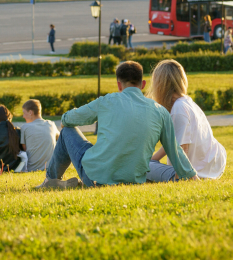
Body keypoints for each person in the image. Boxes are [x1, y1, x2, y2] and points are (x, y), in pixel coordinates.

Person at [36, 61, 198, 189]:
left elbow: (70, 119)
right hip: (134, 180)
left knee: (67, 132)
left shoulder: (107, 101)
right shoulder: (160, 111)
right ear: (142, 84)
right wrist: (192, 176)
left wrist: (65, 121)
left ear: (119, 84)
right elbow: (175, 150)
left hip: (96, 179)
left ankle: (50, 180)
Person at [146, 60, 227, 182]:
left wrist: (179, 178)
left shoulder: (179, 109)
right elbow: (174, 142)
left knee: (142, 167)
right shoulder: (186, 102)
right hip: (213, 164)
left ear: (160, 85)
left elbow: (182, 148)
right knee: (149, 164)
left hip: (198, 170)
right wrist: (154, 159)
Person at [21, 99, 59, 172]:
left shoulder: (25, 127)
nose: (23, 116)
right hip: (51, 168)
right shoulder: (51, 124)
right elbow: (60, 140)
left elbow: (24, 149)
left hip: (32, 169)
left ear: (30, 112)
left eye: (24, 113)